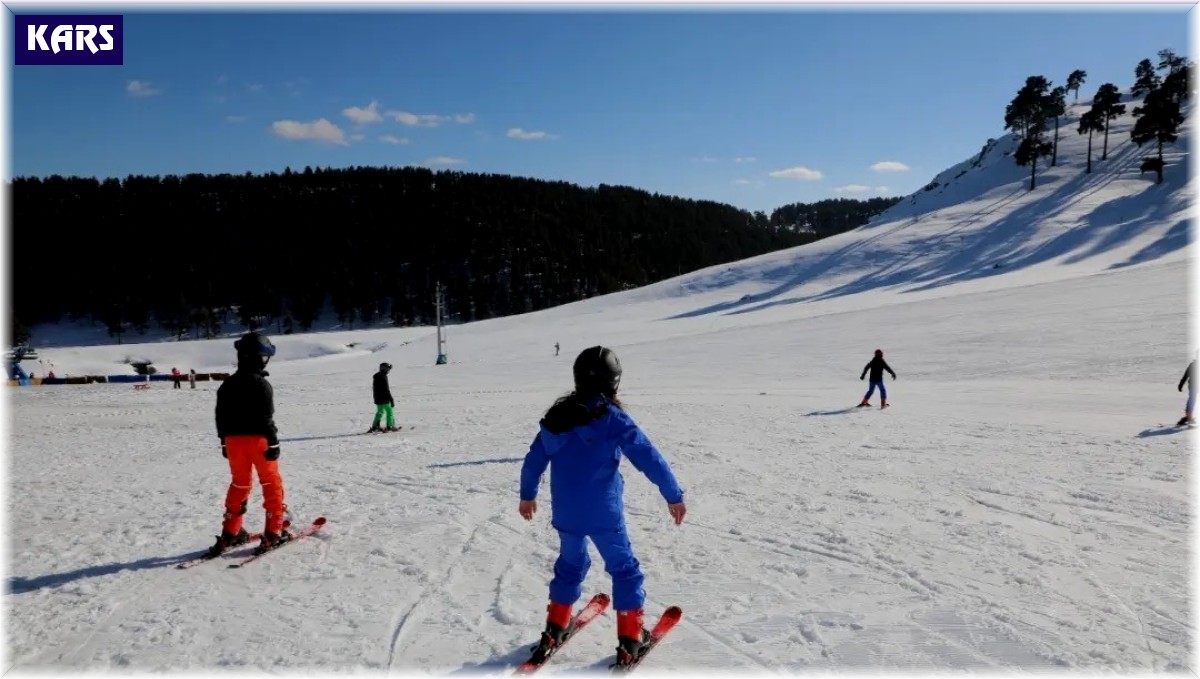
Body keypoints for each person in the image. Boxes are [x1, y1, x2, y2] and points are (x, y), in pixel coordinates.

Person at [519, 346, 686, 668]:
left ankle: (555, 627)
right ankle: (630, 639)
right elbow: (647, 456)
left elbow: (533, 461)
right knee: (624, 569)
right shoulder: (612, 417)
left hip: (566, 513)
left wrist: (527, 495)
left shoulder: (557, 418)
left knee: (570, 564)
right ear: (614, 383)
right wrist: (673, 494)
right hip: (603, 515)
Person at [210, 332, 290, 557]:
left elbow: (220, 416)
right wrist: (273, 443)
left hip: (233, 440)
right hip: (258, 440)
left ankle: (231, 531)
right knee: (271, 481)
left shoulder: (227, 385)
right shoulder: (262, 384)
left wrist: (223, 441)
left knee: (240, 484)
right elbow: (266, 418)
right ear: (259, 358)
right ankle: (274, 532)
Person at [368, 362, 398, 432]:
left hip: (378, 399)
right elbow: (386, 389)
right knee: (389, 412)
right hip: (384, 399)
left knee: (380, 412)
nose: (388, 371)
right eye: (387, 369)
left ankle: (375, 426)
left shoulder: (376, 376)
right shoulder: (383, 377)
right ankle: (390, 425)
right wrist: (391, 399)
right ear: (383, 369)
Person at [1178, 358, 1195, 426]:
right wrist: (1181, 384)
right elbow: (1186, 375)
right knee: (1192, 401)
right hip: (1194, 386)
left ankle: (1189, 417)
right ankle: (1189, 417)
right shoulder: (1193, 365)